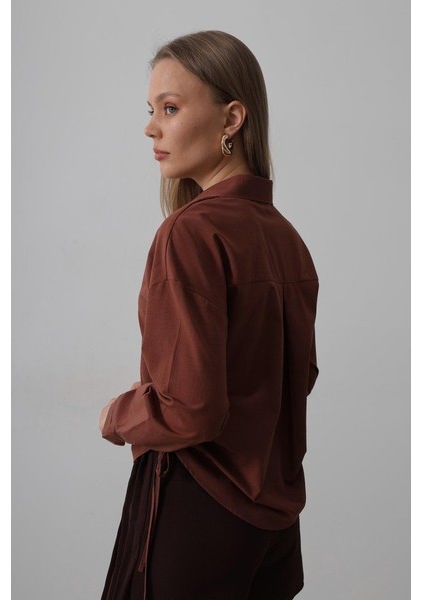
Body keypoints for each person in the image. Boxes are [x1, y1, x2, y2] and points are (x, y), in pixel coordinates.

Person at [99, 30, 319, 600]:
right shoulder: (286, 238)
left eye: (170, 108)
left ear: (232, 119)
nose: (151, 128)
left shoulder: (190, 233)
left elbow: (191, 409)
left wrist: (119, 414)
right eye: (151, 110)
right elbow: (298, 378)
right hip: (272, 526)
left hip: (198, 510)